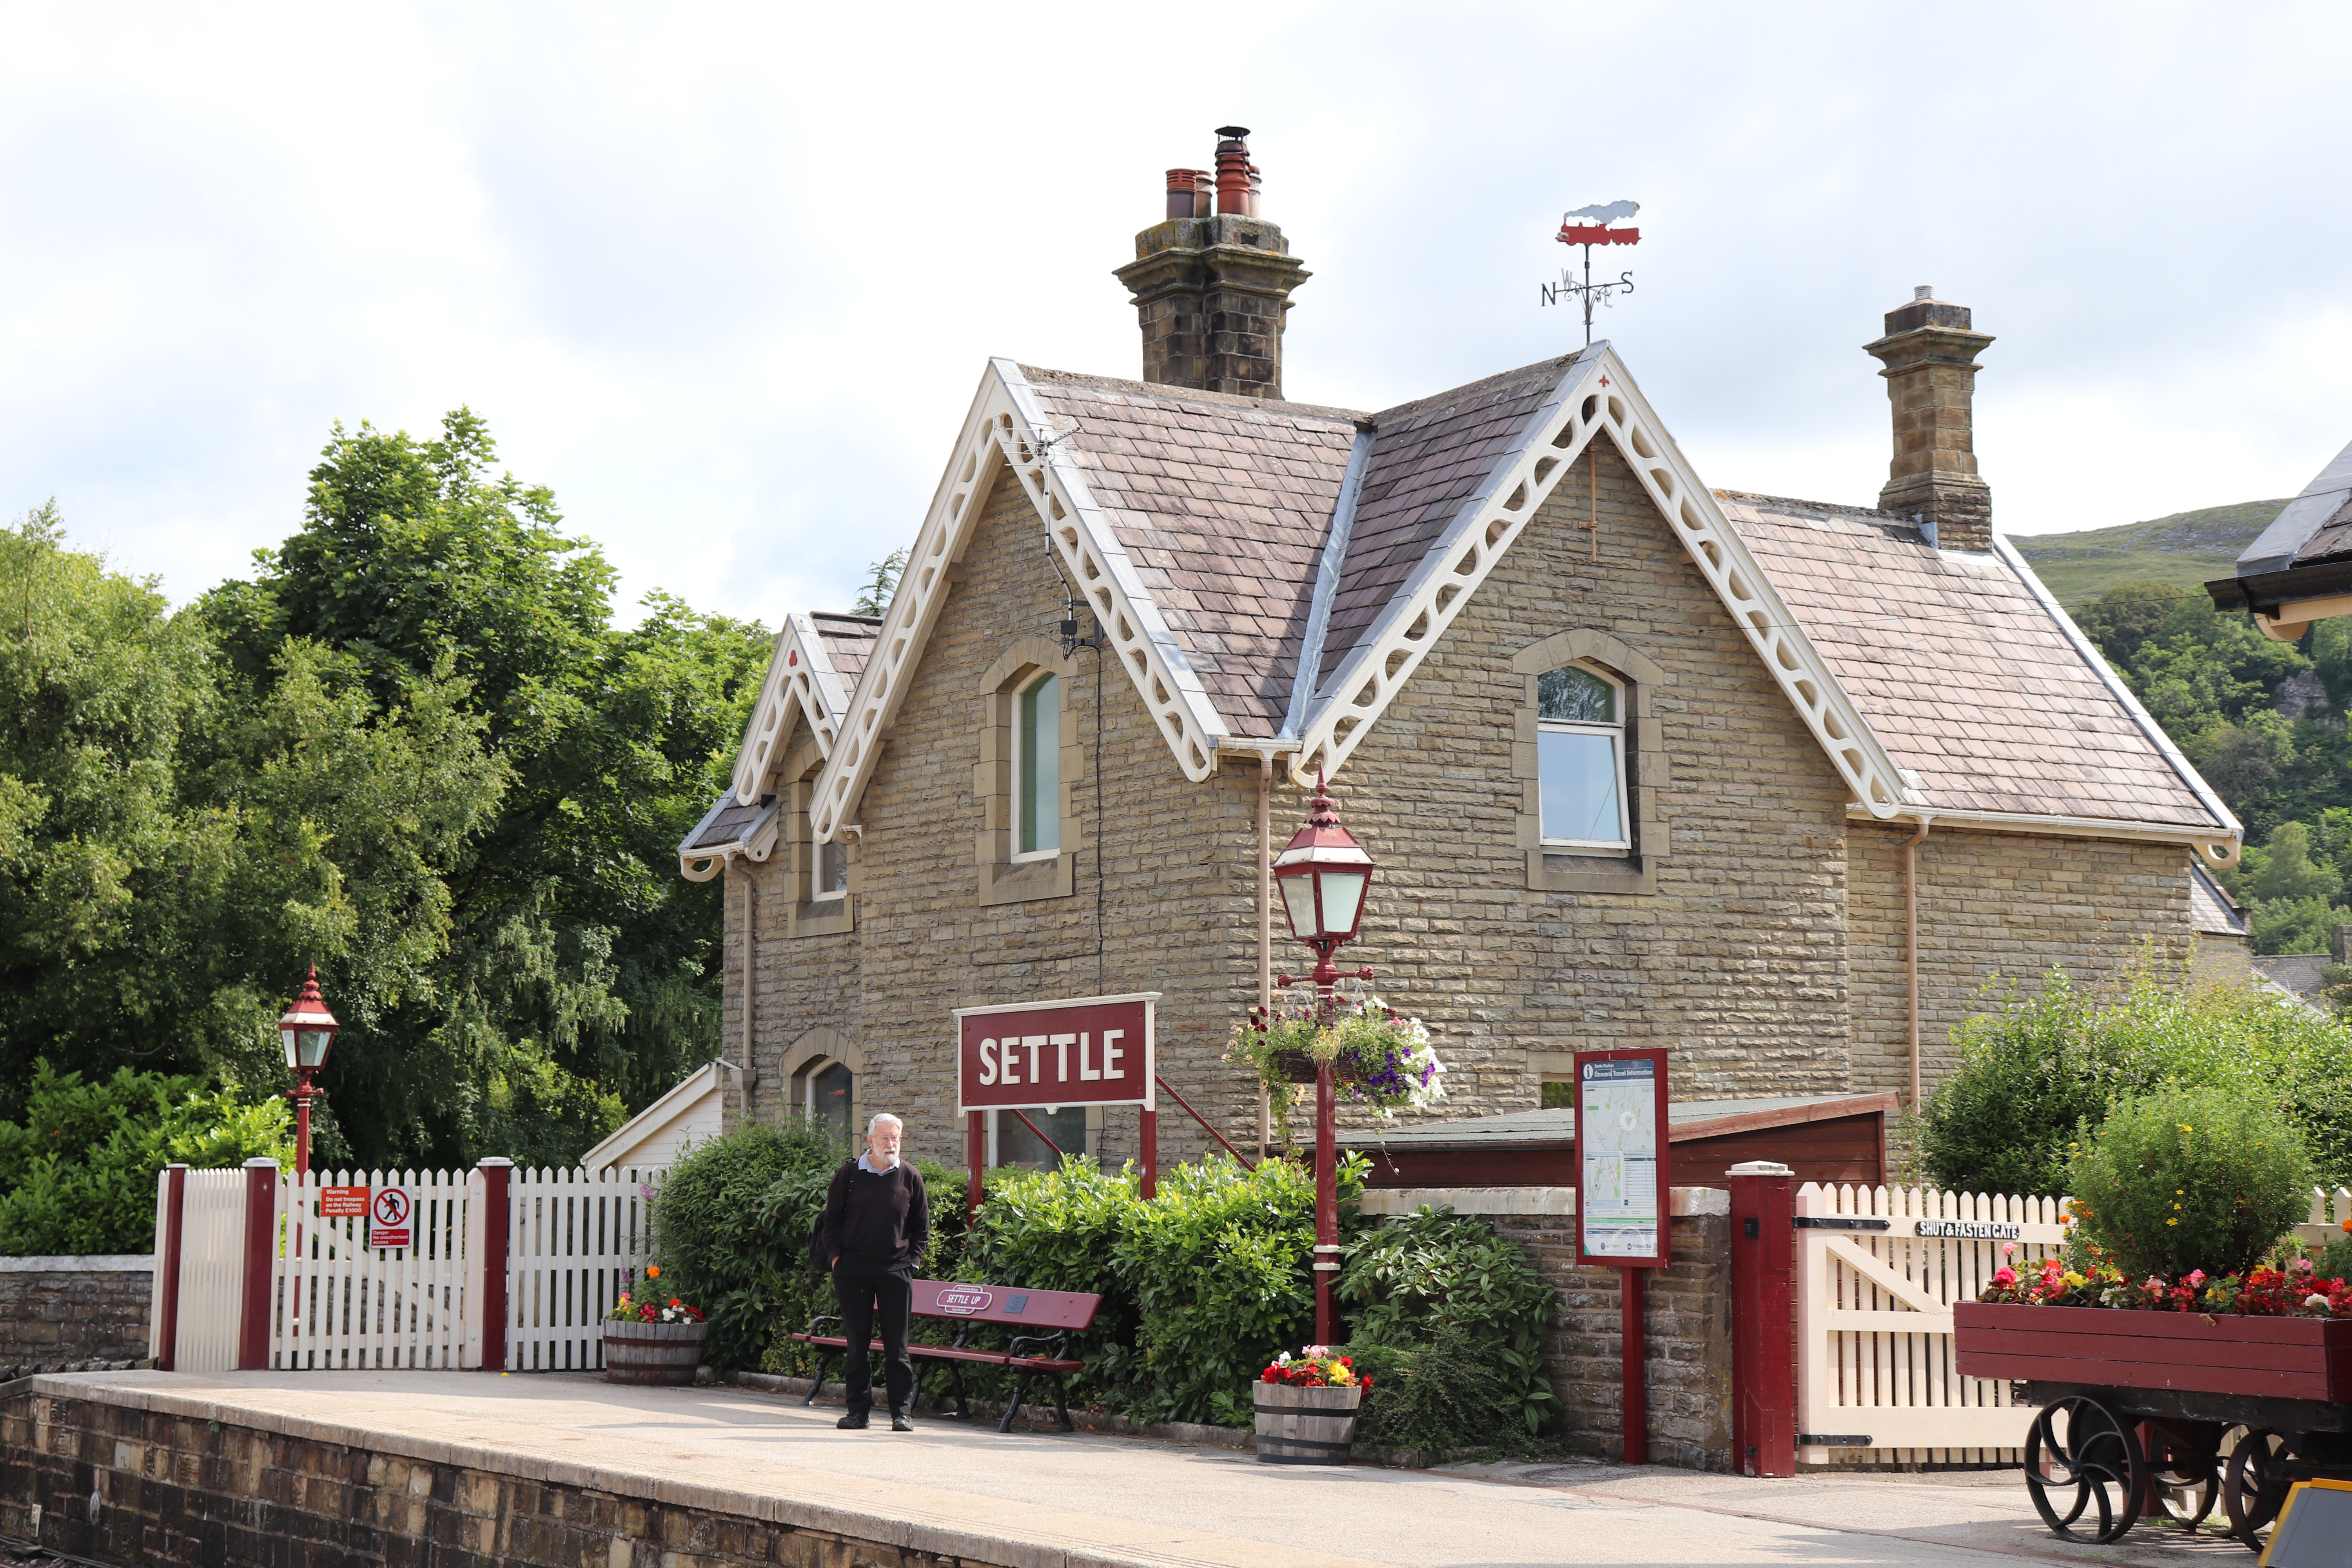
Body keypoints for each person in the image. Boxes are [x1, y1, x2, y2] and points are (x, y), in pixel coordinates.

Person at [817, 1111, 928, 1431]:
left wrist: (914, 1262)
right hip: (853, 1271)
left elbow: (921, 1226)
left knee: (898, 1347)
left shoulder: (910, 1176)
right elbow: (832, 1221)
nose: (892, 1143)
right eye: (885, 1138)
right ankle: (858, 1412)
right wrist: (838, 1260)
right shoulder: (849, 1175)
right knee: (857, 1345)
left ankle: (901, 1414)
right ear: (870, 1140)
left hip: (896, 1271)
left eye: (896, 1137)